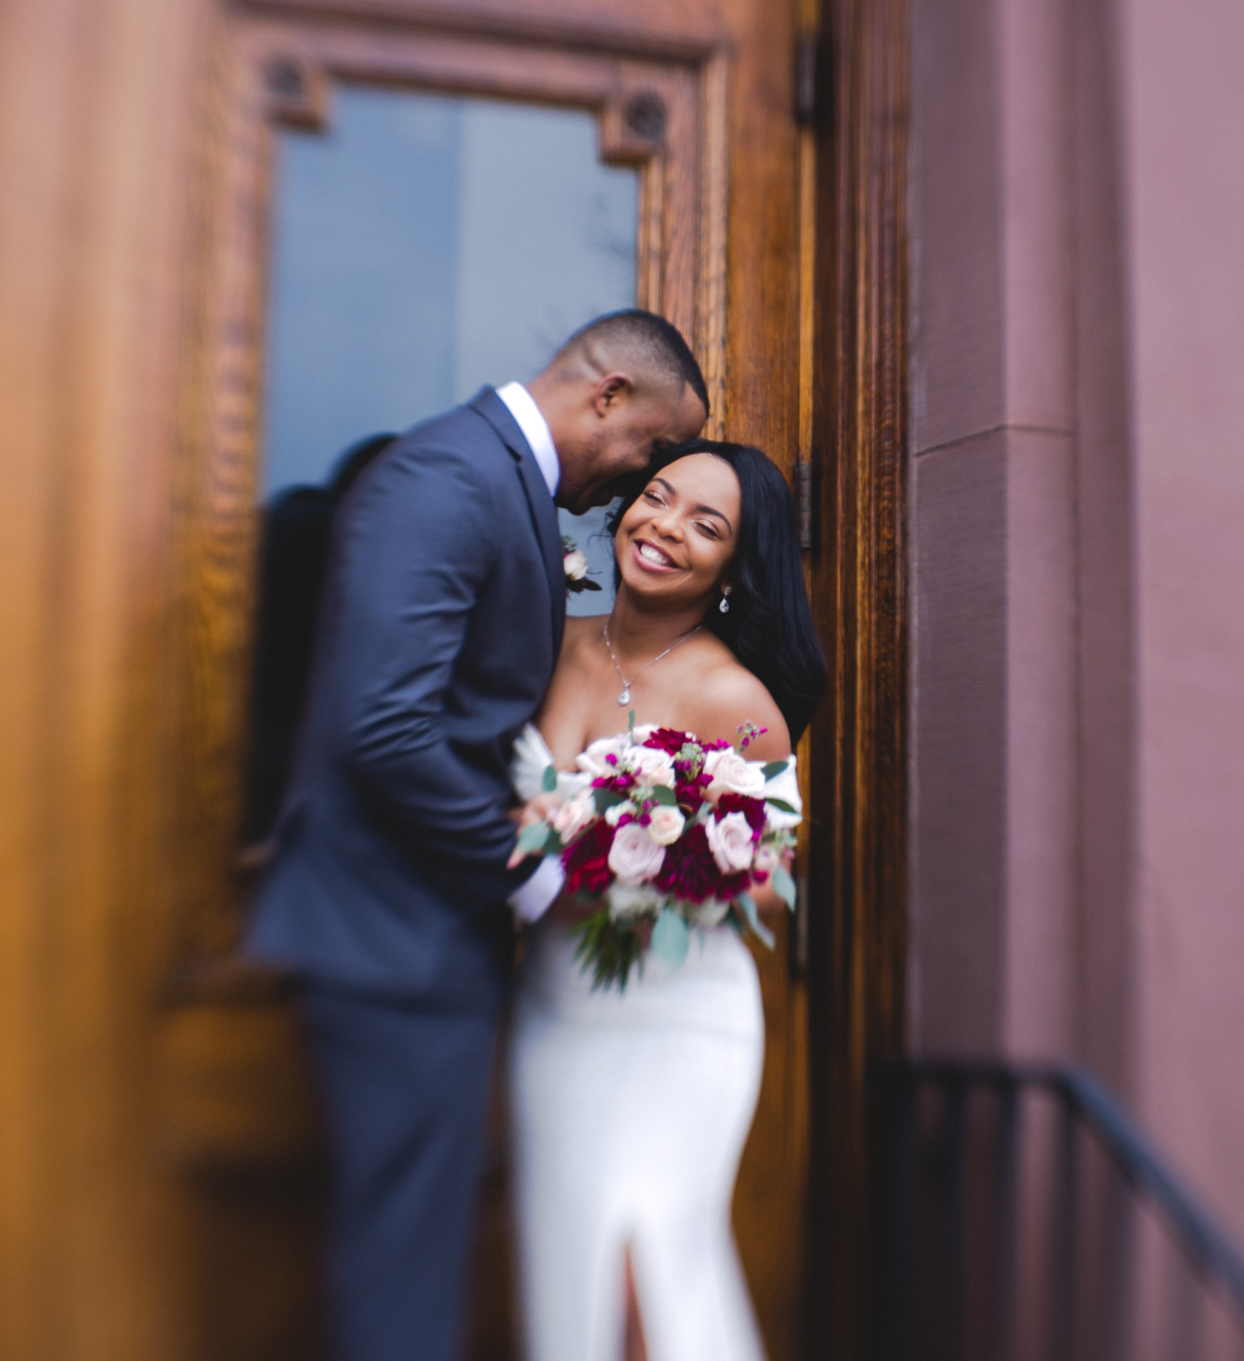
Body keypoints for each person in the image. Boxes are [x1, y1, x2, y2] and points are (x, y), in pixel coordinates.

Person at [246, 310, 709, 1361]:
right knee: (404, 1265)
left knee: (411, 1246)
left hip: (411, 936)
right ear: (607, 398)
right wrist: (534, 871)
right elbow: (385, 725)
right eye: (652, 450)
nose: (642, 481)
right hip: (390, 937)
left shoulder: (495, 483)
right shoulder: (451, 480)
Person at [507, 441, 826, 1361]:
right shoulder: (548, 640)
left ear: (733, 564)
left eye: (706, 524)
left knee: (646, 1272)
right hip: (556, 1011)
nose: (664, 527)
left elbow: (769, 876)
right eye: (658, 496)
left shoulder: (739, 697)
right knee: (571, 1278)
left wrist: (650, 849)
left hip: (680, 1027)